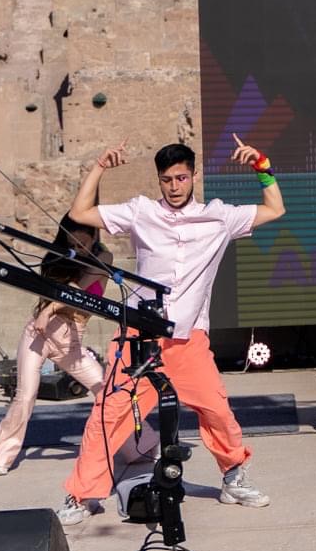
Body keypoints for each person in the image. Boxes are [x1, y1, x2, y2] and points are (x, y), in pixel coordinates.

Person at [56, 134, 286, 525]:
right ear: (159, 180)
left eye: (181, 178)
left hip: (188, 340)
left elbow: (275, 209)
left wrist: (261, 165)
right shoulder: (140, 211)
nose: (174, 186)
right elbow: (80, 213)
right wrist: (99, 168)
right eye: (167, 179)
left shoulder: (219, 216)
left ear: (193, 176)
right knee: (109, 415)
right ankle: (81, 496)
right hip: (138, 338)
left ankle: (233, 477)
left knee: (216, 409)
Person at [0, 217, 114, 475]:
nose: (79, 247)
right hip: (39, 334)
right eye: (72, 242)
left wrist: (50, 308)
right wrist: (47, 310)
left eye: (83, 242)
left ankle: (137, 446)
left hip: (71, 341)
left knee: (107, 391)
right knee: (26, 394)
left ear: (94, 238)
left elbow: (79, 292)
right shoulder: (57, 258)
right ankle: (0, 456)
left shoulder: (103, 259)